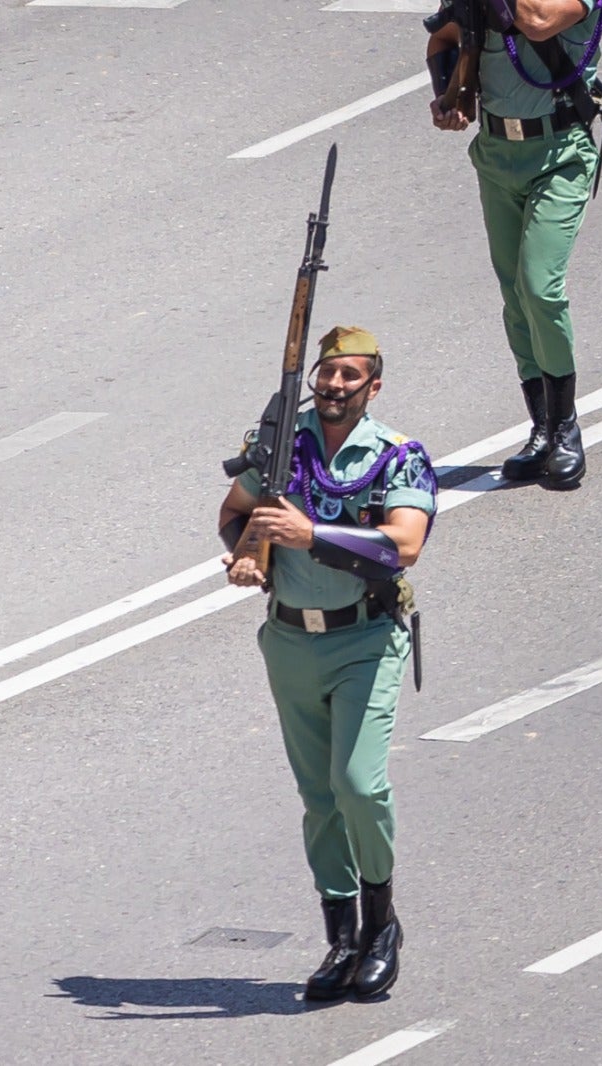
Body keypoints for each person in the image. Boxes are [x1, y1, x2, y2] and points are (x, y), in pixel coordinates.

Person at [218, 327, 437, 1001]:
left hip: (364, 639)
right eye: (327, 372)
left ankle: (380, 929)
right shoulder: (283, 443)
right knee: (319, 799)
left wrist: (310, 536)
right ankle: (339, 937)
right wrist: (249, 553)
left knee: (358, 785)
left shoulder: (399, 455)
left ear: (374, 386)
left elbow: (403, 546)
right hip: (289, 640)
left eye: (350, 375)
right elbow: (235, 512)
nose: (334, 384)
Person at [428, 0, 602, 489]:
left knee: (540, 285)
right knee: (514, 296)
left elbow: (538, 20)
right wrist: (450, 93)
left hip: (560, 153)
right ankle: (542, 428)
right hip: (495, 152)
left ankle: (567, 427)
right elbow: (443, 37)